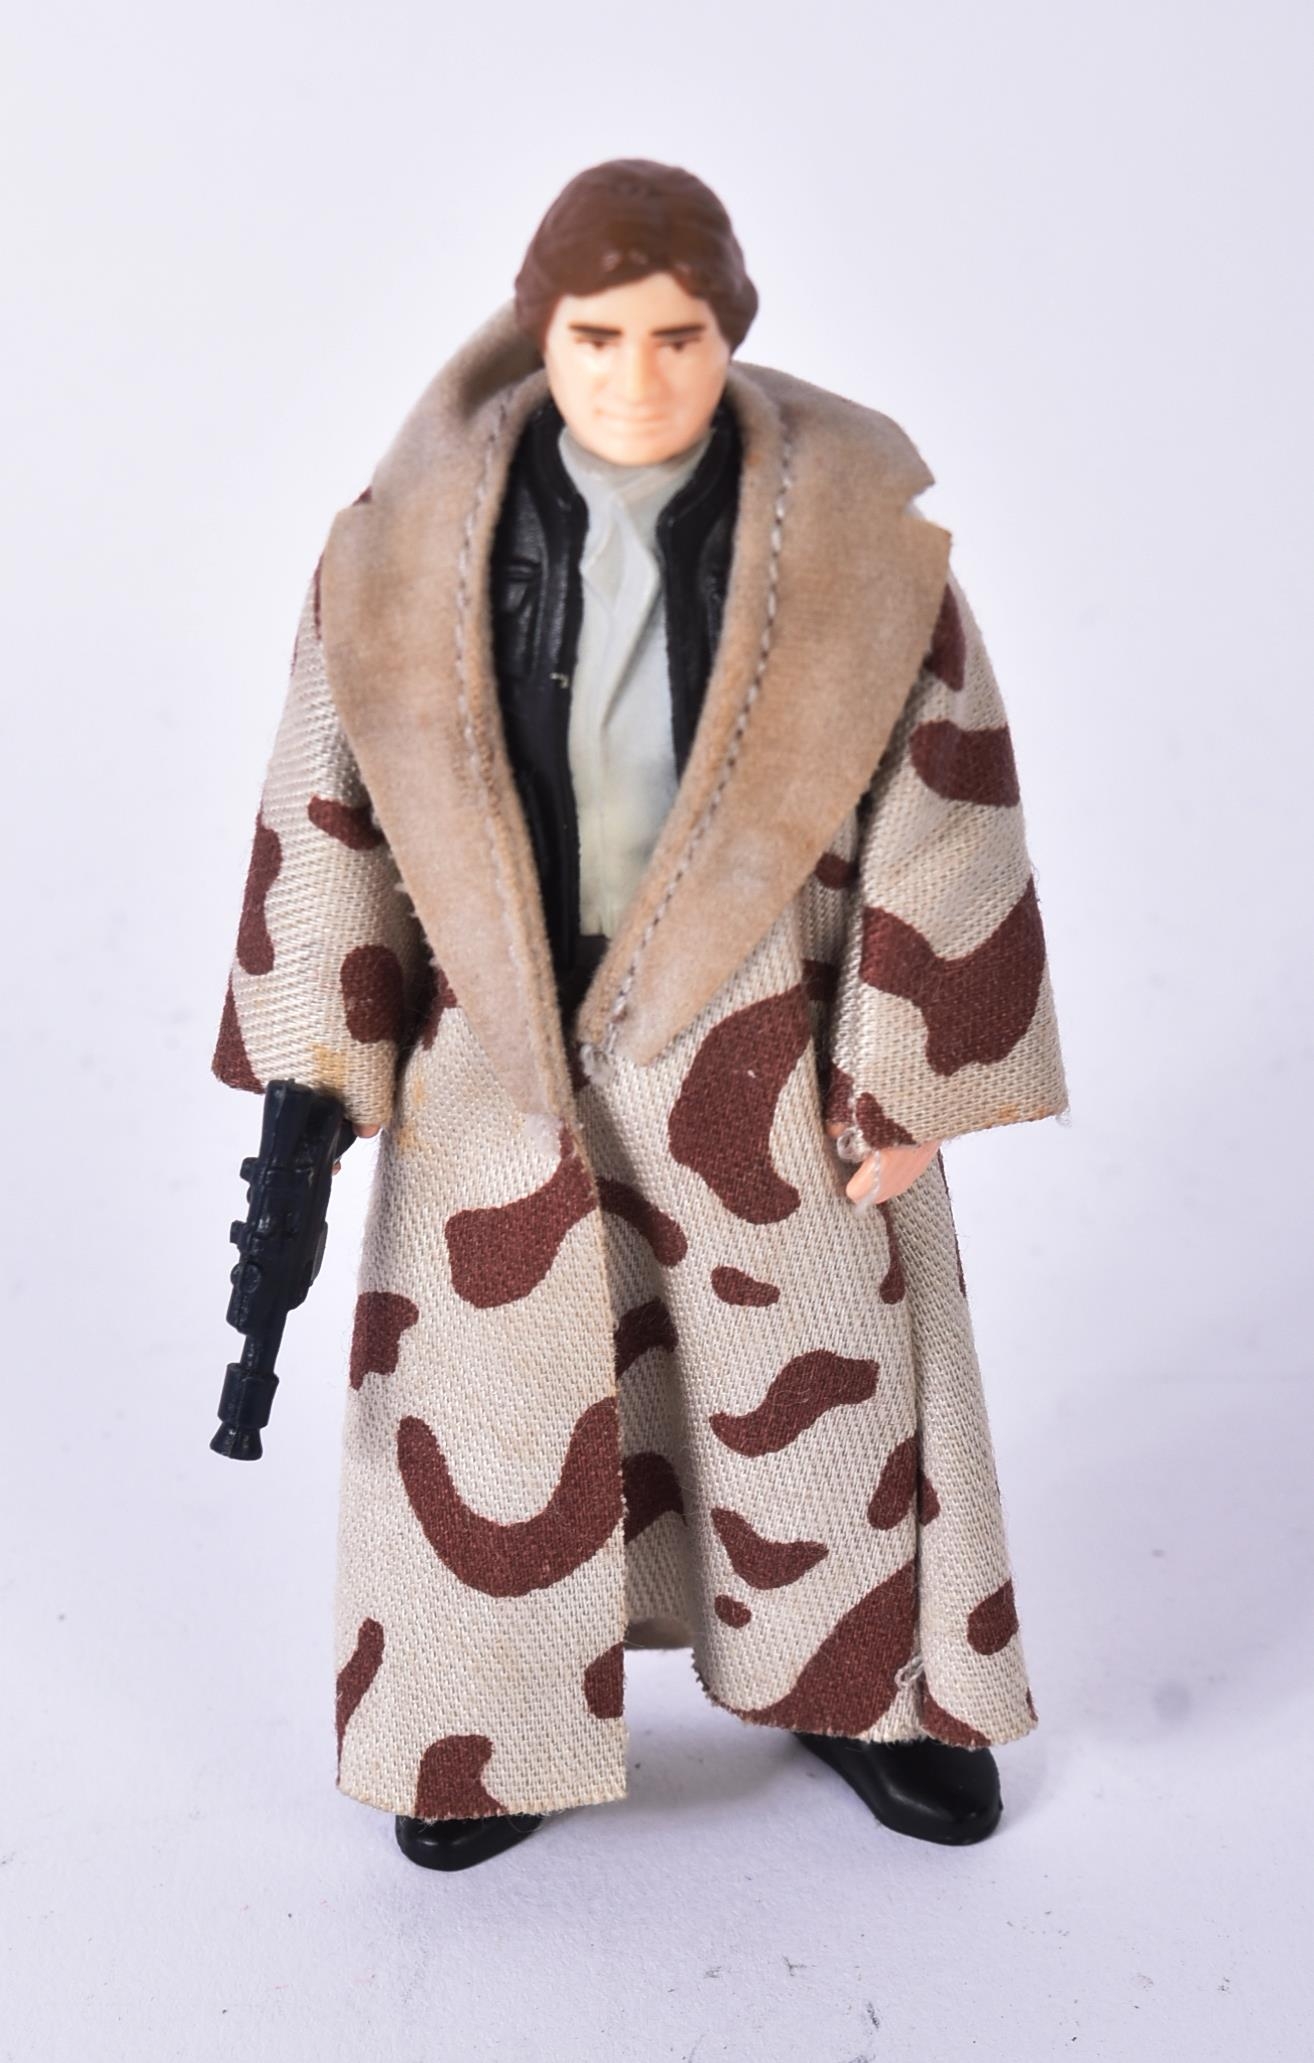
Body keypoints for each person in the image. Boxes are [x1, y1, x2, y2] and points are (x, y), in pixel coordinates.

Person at [213, 159, 1068, 1871]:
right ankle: (482, 1725)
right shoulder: (399, 549)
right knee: (490, 1398)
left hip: (772, 1023)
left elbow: (946, 795)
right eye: (596, 338)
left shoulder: (856, 547)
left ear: (726, 333)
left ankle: (860, 1689)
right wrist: (315, 1070)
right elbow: (329, 802)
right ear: (541, 330)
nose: (634, 377)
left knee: (819, 1385)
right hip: (498, 1029)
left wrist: (907, 1071)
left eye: (675, 337)